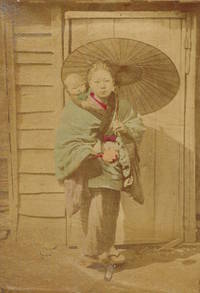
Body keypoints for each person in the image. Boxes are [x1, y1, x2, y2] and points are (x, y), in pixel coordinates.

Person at [55, 61, 145, 265]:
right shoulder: (77, 106)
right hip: (92, 162)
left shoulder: (121, 105)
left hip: (115, 160)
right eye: (97, 81)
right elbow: (68, 138)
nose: (102, 85)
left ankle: (108, 248)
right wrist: (96, 150)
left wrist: (125, 128)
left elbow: (137, 125)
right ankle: (91, 251)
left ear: (114, 84)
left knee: (112, 205)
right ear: (89, 84)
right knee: (97, 204)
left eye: (107, 81)